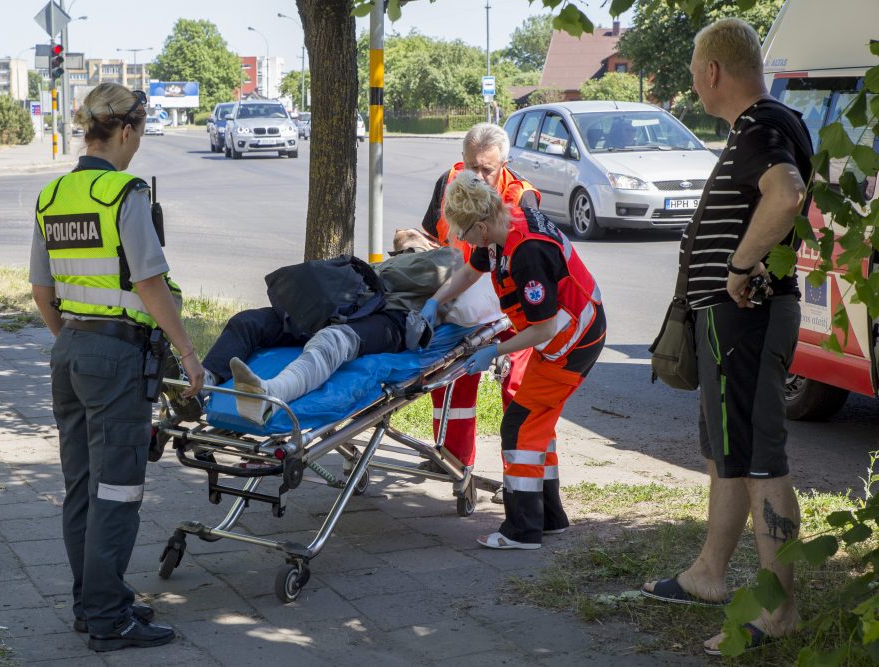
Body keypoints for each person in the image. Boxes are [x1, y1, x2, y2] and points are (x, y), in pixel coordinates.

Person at [639, 18, 812, 656]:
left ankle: (779, 610)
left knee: (760, 459)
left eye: (693, 73)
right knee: (725, 452)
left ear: (712, 71)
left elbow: (786, 194)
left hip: (746, 317)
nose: (693, 84)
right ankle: (710, 574)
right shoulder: (760, 126)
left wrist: (739, 266)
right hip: (728, 320)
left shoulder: (762, 125)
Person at [29, 83, 202, 652]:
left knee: (81, 486)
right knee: (118, 489)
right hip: (117, 357)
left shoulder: (53, 195)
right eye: (141, 131)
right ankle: (109, 618)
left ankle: (92, 603)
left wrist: (72, 342)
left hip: (70, 351)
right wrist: (187, 351)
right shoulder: (124, 194)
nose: (140, 142)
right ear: (125, 130)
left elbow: (42, 291)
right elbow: (149, 282)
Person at [427, 171, 606, 549]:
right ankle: (550, 518)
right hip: (568, 336)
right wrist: (435, 301)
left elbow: (542, 329)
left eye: (464, 233)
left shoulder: (526, 254)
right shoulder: (500, 225)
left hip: (570, 343)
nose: (463, 240)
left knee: (519, 427)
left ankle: (522, 531)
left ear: (480, 226)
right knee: (537, 423)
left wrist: (492, 352)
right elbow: (471, 271)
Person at [200, 248, 459, 425]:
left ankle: (271, 396)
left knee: (333, 340)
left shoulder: (449, 259)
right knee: (249, 321)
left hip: (392, 318)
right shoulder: (401, 257)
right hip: (350, 304)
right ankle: (200, 384)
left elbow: (463, 280)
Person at [418, 123, 541, 473]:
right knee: (449, 383)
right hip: (464, 301)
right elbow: (435, 240)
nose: (479, 176)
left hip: (513, 307)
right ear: (463, 157)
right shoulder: (449, 183)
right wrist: (435, 299)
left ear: (504, 165)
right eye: (472, 166)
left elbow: (532, 266)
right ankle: (452, 460)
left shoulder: (521, 197)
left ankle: (519, 476)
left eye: (488, 169)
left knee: (518, 389)